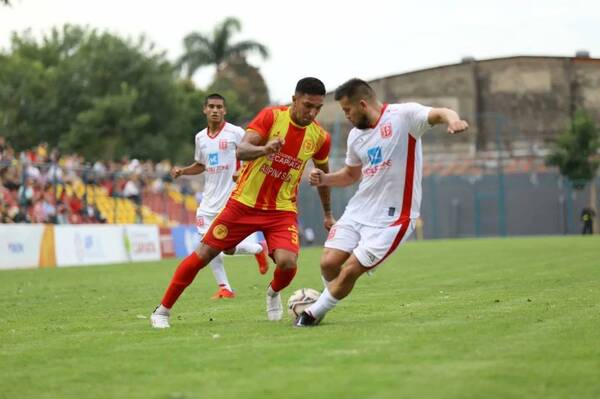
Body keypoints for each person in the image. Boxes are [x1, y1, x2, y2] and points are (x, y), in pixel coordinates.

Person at [151, 78, 334, 328]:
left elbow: (323, 176)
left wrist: (327, 213)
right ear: (294, 99)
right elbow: (242, 150)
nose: (312, 113)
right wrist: (266, 149)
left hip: (281, 210)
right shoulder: (271, 117)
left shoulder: (320, 137)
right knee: (204, 254)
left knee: (288, 264)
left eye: (318, 108)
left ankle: (272, 292)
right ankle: (162, 310)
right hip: (244, 204)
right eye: (307, 105)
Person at [295, 78, 469, 327]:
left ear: (362, 104)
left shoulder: (404, 116)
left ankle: (311, 315)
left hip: (394, 218)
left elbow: (440, 112)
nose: (346, 116)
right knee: (328, 264)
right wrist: (325, 178)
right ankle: (325, 298)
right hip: (359, 210)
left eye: (347, 110)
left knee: (351, 270)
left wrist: (453, 120)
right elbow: (350, 175)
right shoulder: (356, 136)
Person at [169, 93, 270, 300]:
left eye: (219, 107)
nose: (215, 110)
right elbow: (201, 165)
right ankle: (226, 287)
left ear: (224, 110)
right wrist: (183, 171)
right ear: (204, 109)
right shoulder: (200, 138)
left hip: (231, 197)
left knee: (227, 247)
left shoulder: (236, 132)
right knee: (209, 243)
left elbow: (251, 153)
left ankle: (258, 249)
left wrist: (241, 172)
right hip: (208, 200)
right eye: (211, 107)